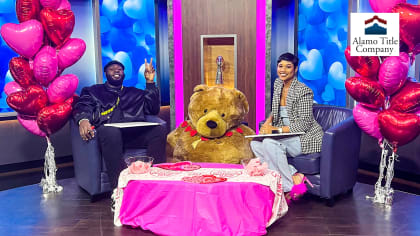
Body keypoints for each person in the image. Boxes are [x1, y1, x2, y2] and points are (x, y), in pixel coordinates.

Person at [73, 59, 166, 188]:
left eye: (120, 69)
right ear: (105, 73)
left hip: (132, 135)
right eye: (112, 69)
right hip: (108, 135)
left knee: (158, 130)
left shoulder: (135, 93)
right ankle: (120, 188)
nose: (116, 70)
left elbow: (153, 109)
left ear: (124, 74)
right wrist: (83, 119)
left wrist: (150, 82)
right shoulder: (93, 91)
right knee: (111, 132)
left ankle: (156, 182)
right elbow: (82, 105)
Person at [251, 52, 323, 203]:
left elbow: (304, 123)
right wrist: (268, 122)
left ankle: (286, 188)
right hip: (285, 134)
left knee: (269, 143)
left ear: (295, 69)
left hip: (305, 137)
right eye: (280, 66)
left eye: (288, 67)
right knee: (255, 143)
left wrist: (275, 131)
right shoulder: (278, 84)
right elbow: (275, 110)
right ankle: (295, 175)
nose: (283, 70)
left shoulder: (304, 91)